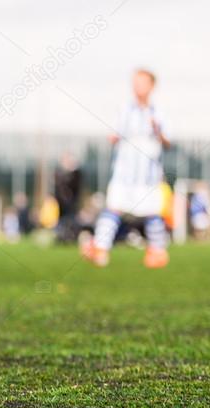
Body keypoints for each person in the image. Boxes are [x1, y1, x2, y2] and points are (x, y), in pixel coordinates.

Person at [83, 69, 171, 269]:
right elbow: (113, 135)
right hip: (124, 173)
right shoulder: (124, 110)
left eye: (142, 82)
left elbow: (168, 142)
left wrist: (158, 131)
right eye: (135, 82)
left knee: (152, 212)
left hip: (148, 174)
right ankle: (100, 249)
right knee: (113, 208)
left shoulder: (159, 112)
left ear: (151, 86)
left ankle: (157, 252)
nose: (137, 86)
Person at [53, 152, 83, 243]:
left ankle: (71, 236)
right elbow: (59, 188)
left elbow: (75, 185)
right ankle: (62, 236)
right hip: (62, 203)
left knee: (71, 220)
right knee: (63, 220)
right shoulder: (59, 173)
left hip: (71, 203)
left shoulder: (75, 173)